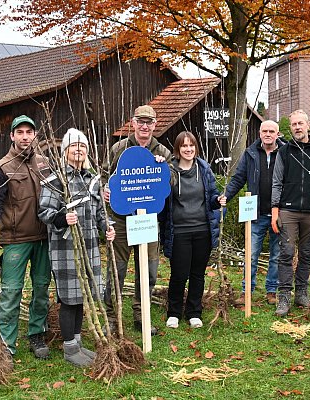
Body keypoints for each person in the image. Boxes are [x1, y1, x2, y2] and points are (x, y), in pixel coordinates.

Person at [39, 129, 115, 366]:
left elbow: (99, 211)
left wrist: (107, 226)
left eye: (82, 146)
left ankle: (78, 344)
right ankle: (70, 349)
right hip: (66, 248)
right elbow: (44, 212)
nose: (79, 150)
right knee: (69, 298)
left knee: (83, 296)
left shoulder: (93, 180)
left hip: (90, 246)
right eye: (73, 146)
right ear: (65, 152)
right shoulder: (54, 180)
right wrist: (63, 218)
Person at [0, 115, 51, 359]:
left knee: (42, 288)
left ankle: (36, 335)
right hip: (16, 240)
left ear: (35, 135)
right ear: (12, 136)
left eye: (29, 132)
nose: (25, 136)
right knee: (11, 291)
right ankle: (6, 345)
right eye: (20, 132)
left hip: (44, 237)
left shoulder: (44, 163)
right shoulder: (2, 168)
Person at [102, 105, 171, 335]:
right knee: (117, 268)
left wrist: (162, 169)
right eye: (140, 121)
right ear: (133, 123)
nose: (144, 126)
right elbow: (104, 175)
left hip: (147, 219)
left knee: (148, 269)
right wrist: (104, 189)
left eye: (149, 122)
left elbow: (169, 184)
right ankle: (112, 316)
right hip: (120, 219)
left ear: (154, 125)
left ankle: (142, 315)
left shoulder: (162, 151)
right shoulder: (119, 148)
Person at [271, 109, 310, 316]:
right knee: (286, 253)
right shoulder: (284, 152)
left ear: (307, 125)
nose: (297, 127)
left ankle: (302, 292)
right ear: (291, 128)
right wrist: (275, 209)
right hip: (288, 210)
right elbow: (277, 182)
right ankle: (284, 296)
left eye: (300, 123)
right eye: (294, 124)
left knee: (306, 253)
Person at [161, 132, 225, 329]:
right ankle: (173, 312)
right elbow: (160, 195)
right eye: (184, 146)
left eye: (191, 146)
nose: (188, 149)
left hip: (202, 230)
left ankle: (194, 312)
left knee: (198, 273)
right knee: (179, 273)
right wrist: (158, 164)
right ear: (177, 149)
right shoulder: (169, 170)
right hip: (179, 231)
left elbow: (212, 196)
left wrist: (218, 201)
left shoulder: (204, 169)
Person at [223, 120, 284, 305]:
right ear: (259, 133)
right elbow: (238, 178)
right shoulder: (250, 153)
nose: (268, 134)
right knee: (251, 254)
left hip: (278, 213)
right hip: (255, 213)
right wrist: (225, 196)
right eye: (264, 130)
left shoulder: (285, 152)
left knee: (276, 255)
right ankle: (246, 290)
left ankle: (272, 291)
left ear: (277, 133)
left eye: (271, 131)